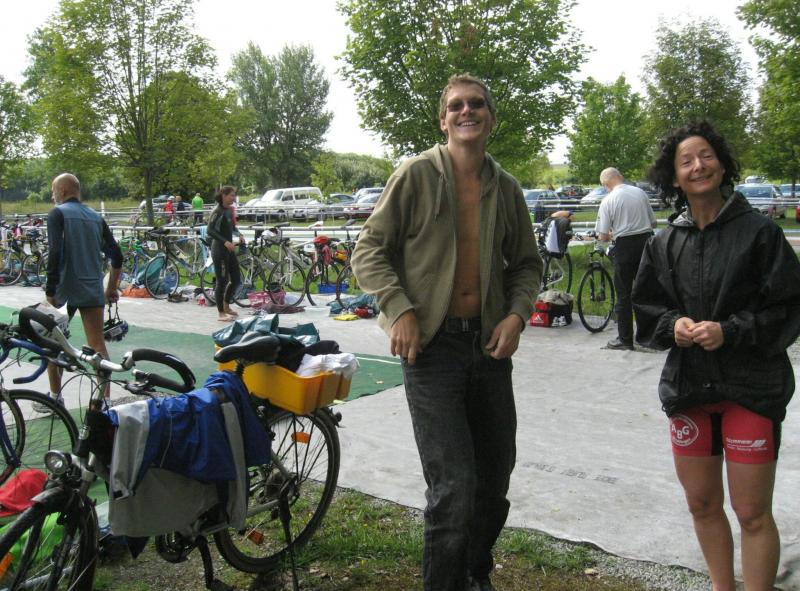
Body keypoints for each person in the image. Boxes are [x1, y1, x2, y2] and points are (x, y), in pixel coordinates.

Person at [350, 74, 542, 591]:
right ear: (443, 120)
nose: (466, 111)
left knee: (494, 482)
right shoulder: (415, 175)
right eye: (455, 105)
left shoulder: (506, 188)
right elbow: (368, 250)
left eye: (476, 104)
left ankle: (474, 572)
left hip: (490, 348)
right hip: (432, 350)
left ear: (491, 118)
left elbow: (527, 264)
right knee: (454, 486)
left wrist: (516, 315)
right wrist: (399, 309)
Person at [632, 121, 800, 591]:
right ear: (674, 177)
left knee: (751, 512)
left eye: (706, 155)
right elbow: (645, 309)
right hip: (690, 389)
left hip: (750, 388)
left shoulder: (760, 233)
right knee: (702, 505)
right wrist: (673, 326)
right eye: (685, 161)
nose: (698, 166)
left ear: (722, 165)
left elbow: (788, 308)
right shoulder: (663, 241)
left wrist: (730, 331)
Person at [42, 173, 122, 409]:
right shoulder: (96, 217)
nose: (52, 196)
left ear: (63, 191)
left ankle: (55, 398)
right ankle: (104, 400)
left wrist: (50, 289)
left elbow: (55, 253)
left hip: (64, 290)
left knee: (53, 343)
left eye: (53, 191)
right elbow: (117, 256)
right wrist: (111, 288)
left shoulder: (57, 214)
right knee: (98, 346)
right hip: (92, 288)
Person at [594, 167, 656, 350]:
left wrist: (612, 233)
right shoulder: (640, 193)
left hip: (624, 247)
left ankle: (625, 339)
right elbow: (653, 223)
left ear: (605, 184)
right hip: (647, 244)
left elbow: (603, 236)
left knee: (624, 294)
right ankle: (649, 336)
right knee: (646, 292)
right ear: (620, 177)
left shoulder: (608, 200)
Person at [206, 186, 245, 322]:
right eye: (231, 195)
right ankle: (221, 313)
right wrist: (225, 242)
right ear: (223, 195)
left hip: (229, 250)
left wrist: (239, 234)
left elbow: (232, 227)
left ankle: (226, 306)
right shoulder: (217, 211)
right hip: (219, 250)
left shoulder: (229, 210)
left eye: (234, 195)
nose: (234, 198)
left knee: (236, 279)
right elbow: (210, 230)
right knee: (222, 281)